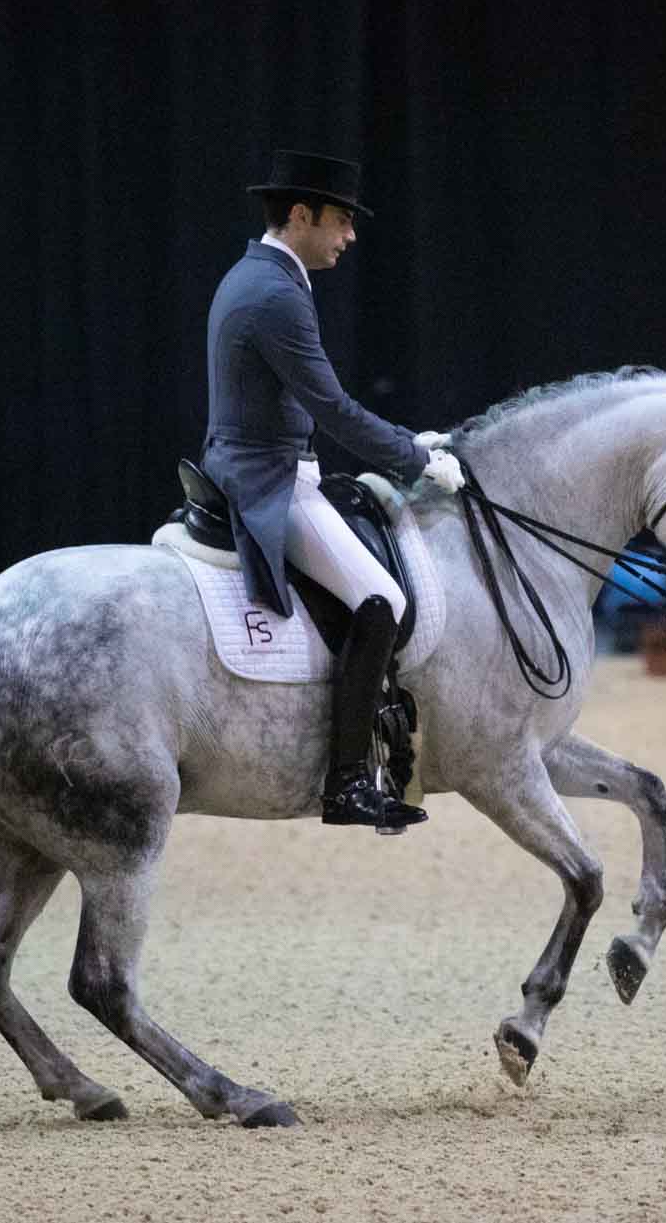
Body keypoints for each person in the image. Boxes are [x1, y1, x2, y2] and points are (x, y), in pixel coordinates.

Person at [200, 149, 464, 834]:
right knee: (382, 599)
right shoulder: (276, 294)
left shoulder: (257, 274)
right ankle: (346, 783)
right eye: (340, 221)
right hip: (268, 478)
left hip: (260, 460)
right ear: (300, 215)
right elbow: (333, 408)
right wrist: (414, 459)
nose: (349, 236)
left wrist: (411, 439)